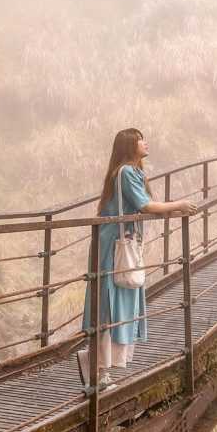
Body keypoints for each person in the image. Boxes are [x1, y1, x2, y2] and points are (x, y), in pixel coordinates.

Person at [77, 128, 197, 392]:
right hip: (115, 248)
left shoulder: (129, 172)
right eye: (141, 139)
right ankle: (97, 370)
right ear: (130, 145)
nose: (146, 142)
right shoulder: (127, 172)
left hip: (114, 244)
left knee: (114, 299)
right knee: (112, 300)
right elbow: (145, 206)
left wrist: (169, 209)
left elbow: (141, 206)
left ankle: (97, 366)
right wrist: (178, 204)